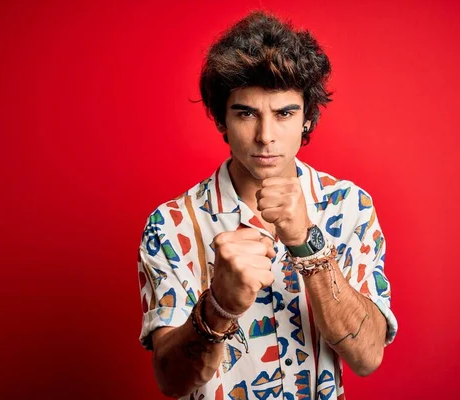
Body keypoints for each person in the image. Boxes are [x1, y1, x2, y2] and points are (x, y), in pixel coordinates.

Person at [137, 11, 397, 400]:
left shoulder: (349, 206)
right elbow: (171, 382)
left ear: (307, 119)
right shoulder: (169, 225)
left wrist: (309, 244)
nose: (265, 136)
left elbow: (367, 356)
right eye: (246, 114)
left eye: (285, 113)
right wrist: (219, 306)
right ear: (221, 120)